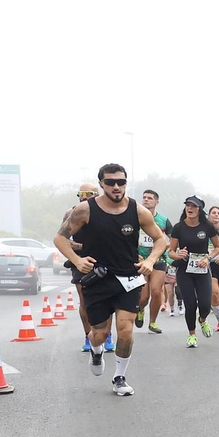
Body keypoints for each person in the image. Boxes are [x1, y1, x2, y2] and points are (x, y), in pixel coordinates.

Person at [52, 164, 167, 396]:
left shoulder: (137, 210)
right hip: (98, 278)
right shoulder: (85, 210)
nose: (116, 186)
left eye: (121, 182)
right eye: (111, 182)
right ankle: (96, 351)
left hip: (128, 278)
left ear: (126, 183)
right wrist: (76, 260)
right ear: (102, 184)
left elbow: (161, 240)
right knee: (100, 334)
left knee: (125, 332)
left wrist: (150, 260)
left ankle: (119, 377)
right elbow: (60, 238)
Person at [166, 196, 219, 347]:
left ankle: (202, 319)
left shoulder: (207, 226)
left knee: (204, 303)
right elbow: (171, 252)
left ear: (199, 209)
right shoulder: (178, 227)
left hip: (202, 270)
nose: (190, 208)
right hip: (184, 270)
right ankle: (192, 335)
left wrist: (208, 259)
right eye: (188, 205)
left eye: (193, 206)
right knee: (190, 304)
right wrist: (178, 255)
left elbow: (218, 247)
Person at [67, 181, 111, 352]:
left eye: (89, 194)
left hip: (103, 261)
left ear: (97, 195)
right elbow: (63, 239)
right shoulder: (71, 214)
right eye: (82, 194)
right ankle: (88, 335)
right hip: (81, 262)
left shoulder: (106, 213)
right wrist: (81, 251)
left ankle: (106, 335)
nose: (85, 198)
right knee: (84, 301)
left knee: (107, 300)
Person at [135, 188, 173, 334]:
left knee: (157, 292)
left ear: (157, 202)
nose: (146, 200)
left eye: (150, 198)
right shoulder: (136, 217)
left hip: (159, 259)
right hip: (141, 260)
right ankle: (141, 309)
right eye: (144, 197)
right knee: (144, 297)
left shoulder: (163, 221)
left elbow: (173, 240)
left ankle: (153, 322)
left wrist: (162, 245)